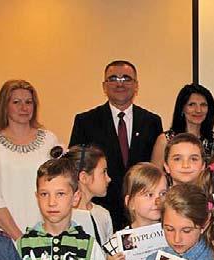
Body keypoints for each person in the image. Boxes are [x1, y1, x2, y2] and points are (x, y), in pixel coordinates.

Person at [70, 60, 163, 229]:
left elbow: (155, 170)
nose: (120, 83)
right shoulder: (85, 121)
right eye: (113, 78)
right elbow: (75, 167)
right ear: (104, 86)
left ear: (136, 86)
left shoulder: (151, 121)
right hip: (98, 210)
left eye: (126, 79)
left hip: (141, 215)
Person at [0, 79, 61, 239]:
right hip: (5, 234)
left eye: (28, 102)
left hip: (44, 232)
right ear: (4, 106)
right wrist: (20, 239)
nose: (23, 108)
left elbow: (60, 188)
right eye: (16, 102)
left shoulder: (49, 139)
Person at [151, 84, 214, 166]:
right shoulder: (165, 140)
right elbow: (154, 176)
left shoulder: (212, 142)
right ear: (182, 108)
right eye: (192, 105)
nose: (198, 110)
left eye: (203, 105)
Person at [68, 145, 114, 242]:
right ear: (84, 177)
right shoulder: (67, 219)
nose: (109, 179)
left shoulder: (103, 214)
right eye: (104, 172)